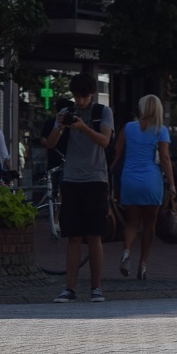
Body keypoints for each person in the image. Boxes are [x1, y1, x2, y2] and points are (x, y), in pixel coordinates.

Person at [44, 73, 114, 302]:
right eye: (77, 97)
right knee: (73, 235)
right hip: (71, 178)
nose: (81, 101)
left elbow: (105, 141)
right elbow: (51, 144)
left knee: (94, 235)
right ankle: (70, 288)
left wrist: (83, 127)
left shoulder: (102, 112)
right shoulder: (67, 113)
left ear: (92, 93)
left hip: (96, 178)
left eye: (84, 96)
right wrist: (60, 124)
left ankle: (96, 288)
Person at [111, 94, 176, 281]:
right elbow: (164, 158)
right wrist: (171, 184)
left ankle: (126, 251)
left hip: (129, 180)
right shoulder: (160, 130)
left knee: (132, 222)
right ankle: (143, 263)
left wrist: (108, 174)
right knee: (149, 223)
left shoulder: (128, 128)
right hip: (151, 181)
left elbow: (116, 155)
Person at [39, 100, 71, 201]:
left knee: (60, 189)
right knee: (55, 190)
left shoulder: (73, 124)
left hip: (61, 160)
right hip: (57, 160)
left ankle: (56, 211)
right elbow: (45, 141)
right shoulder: (53, 123)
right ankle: (55, 211)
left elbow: (43, 140)